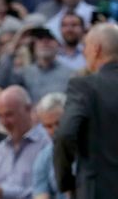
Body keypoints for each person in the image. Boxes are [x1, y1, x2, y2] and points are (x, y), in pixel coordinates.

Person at [54, 23, 118, 199]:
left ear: (96, 49)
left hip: (98, 189)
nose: (83, 52)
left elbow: (65, 135)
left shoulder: (84, 86)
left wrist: (66, 181)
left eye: (86, 47)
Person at [33, 92, 67, 199]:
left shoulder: (93, 149)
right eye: (48, 126)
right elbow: (40, 195)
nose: (55, 130)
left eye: (58, 123)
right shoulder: (44, 157)